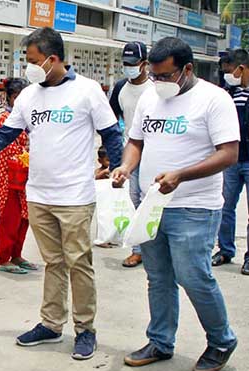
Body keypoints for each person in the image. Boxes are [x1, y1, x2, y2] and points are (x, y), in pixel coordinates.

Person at [0, 28, 123, 360]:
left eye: (33, 61)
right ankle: (52, 324)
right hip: (39, 195)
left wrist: (119, 167)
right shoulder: (28, 97)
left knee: (79, 263)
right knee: (53, 262)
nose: (29, 67)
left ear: (53, 59)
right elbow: (2, 138)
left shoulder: (88, 92)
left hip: (75, 197)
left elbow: (111, 133)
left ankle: (85, 330)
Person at [111, 37, 239, 371]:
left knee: (193, 277)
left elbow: (229, 154)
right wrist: (126, 167)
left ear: (187, 70)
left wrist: (181, 175)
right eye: (154, 76)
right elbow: (136, 141)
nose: (158, 83)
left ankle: (221, 340)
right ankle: (160, 341)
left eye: (165, 76)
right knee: (158, 277)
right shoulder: (150, 98)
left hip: (194, 206)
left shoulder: (214, 100)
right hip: (153, 205)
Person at [109, 41, 154, 268]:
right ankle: (138, 250)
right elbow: (110, 122)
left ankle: (155, 249)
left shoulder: (155, 88)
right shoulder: (120, 88)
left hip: (156, 153)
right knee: (135, 201)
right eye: (125, 63)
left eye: (133, 63)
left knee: (153, 201)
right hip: (131, 152)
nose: (128, 67)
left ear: (144, 63)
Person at [212, 48, 249, 275]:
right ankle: (225, 249)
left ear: (241, 68)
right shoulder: (228, 93)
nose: (227, 75)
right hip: (232, 160)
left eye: (229, 71)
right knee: (225, 207)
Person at [0, 77, 35, 274]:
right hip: (11, 176)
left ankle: (17, 254)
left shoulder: (28, 118)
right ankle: (3, 258)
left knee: (24, 218)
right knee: (10, 218)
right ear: (11, 98)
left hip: (27, 176)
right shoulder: (5, 118)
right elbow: (11, 150)